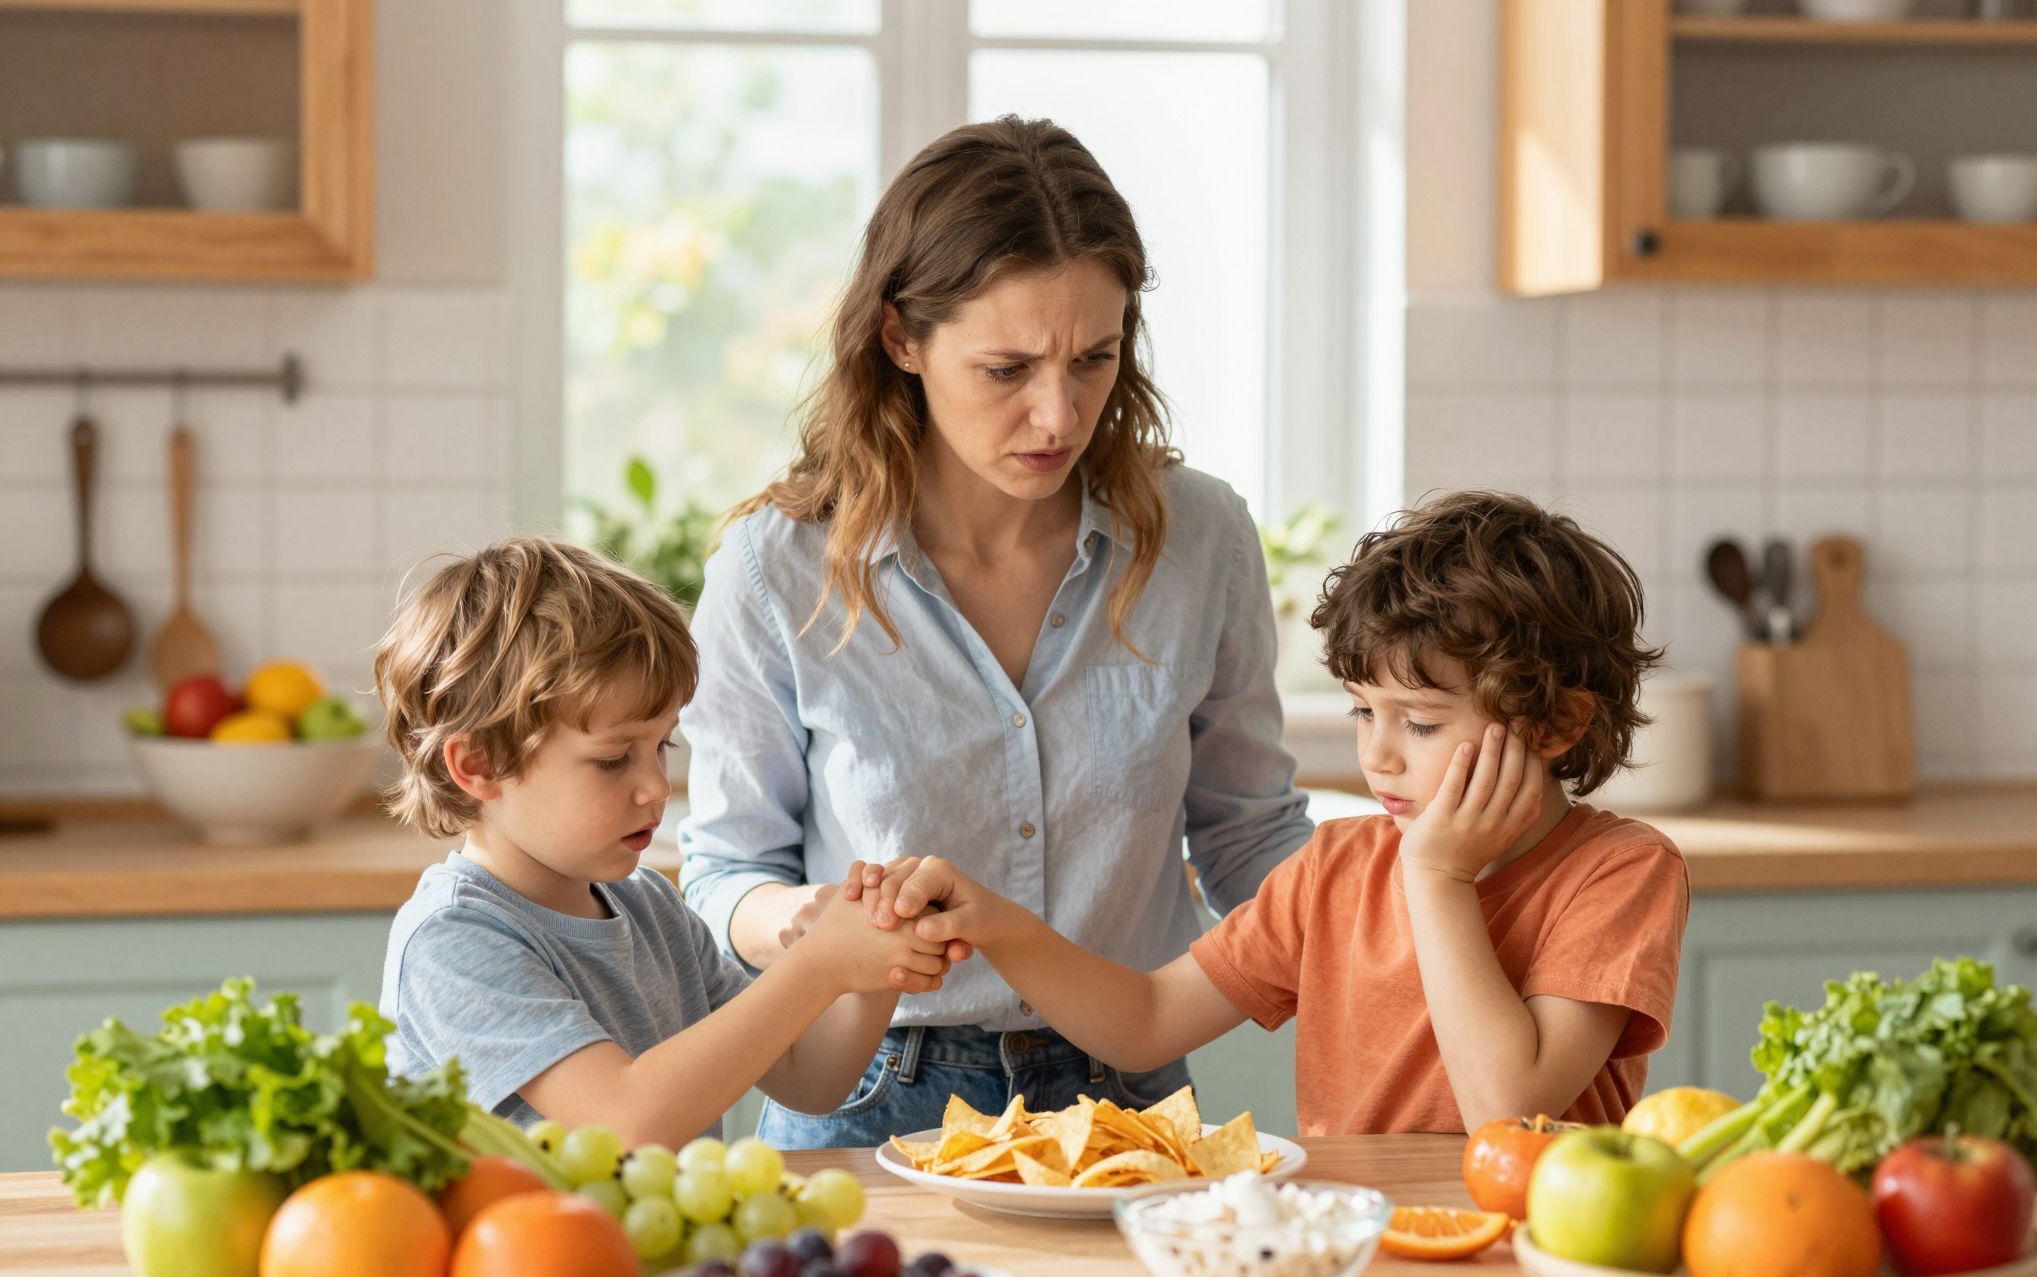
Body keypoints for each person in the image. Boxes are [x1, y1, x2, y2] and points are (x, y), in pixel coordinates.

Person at [679, 115, 1312, 1147]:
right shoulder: (777, 567)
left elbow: (1249, 832)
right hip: (867, 1092)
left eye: (1094, 359)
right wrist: (814, 928)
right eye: (1007, 370)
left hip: (1132, 1095)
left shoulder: (1201, 538)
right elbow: (722, 870)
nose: (1059, 416)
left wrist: (1393, 925)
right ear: (901, 340)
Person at [863, 492, 1691, 1135]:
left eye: (1420, 723)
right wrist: (1000, 924)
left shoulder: (1620, 872)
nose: (1378, 755)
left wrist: (1437, 878)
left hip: (1535, 1259)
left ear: (1556, 725)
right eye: (1363, 711)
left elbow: (1509, 1116)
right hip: (1354, 1247)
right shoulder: (1336, 868)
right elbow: (1148, 1021)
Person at [371, 536, 946, 1146]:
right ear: (480, 765)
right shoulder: (454, 939)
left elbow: (811, 1081)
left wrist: (875, 958)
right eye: (613, 759)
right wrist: (818, 966)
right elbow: (624, 1121)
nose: (656, 786)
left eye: (662, 745)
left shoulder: (651, 906)